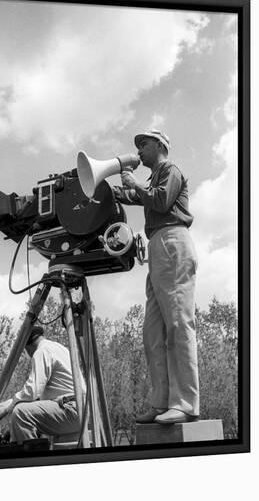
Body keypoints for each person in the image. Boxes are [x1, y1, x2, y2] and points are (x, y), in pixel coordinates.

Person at [114, 129, 199, 425]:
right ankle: (161, 402)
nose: (138, 149)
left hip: (173, 241)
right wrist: (114, 192)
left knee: (177, 323)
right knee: (153, 332)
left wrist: (134, 185)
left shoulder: (170, 170)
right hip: (158, 246)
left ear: (161, 145)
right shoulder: (153, 178)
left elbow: (161, 201)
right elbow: (144, 198)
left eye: (144, 144)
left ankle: (185, 403)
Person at [0, 326, 85, 443]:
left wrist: (7, 408)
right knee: (26, 413)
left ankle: (30, 460)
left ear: (27, 347)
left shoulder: (42, 351)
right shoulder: (59, 348)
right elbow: (38, 397)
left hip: (72, 409)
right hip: (81, 408)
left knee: (20, 413)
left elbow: (33, 391)